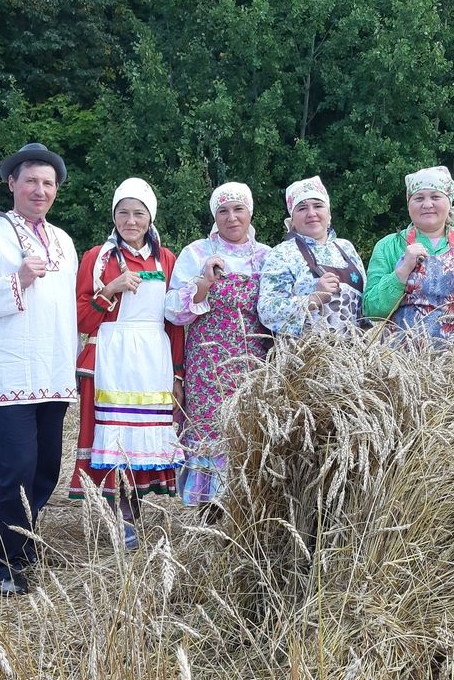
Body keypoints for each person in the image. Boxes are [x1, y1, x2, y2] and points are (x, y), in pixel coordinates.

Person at [0, 143, 78, 595]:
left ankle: (21, 539)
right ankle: (6, 563)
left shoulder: (64, 240)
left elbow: (66, 308)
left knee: (46, 467)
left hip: (54, 370)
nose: (39, 190)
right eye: (31, 180)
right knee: (17, 467)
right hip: (11, 371)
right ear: (11, 183)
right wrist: (17, 280)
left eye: (48, 183)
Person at [68, 177, 183, 546]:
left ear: (151, 218)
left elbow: (175, 319)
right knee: (113, 438)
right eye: (123, 213)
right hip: (112, 357)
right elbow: (82, 318)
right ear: (113, 216)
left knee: (141, 440)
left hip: (152, 357)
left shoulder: (166, 259)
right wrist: (110, 290)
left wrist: (178, 369)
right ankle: (116, 516)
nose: (130, 221)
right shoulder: (97, 258)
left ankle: (133, 510)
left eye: (138, 213)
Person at [165, 182, 271, 507]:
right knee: (210, 440)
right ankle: (205, 521)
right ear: (214, 215)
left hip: (254, 368)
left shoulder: (267, 257)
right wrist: (203, 283)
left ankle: (245, 519)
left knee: (249, 439)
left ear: (250, 212)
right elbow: (172, 310)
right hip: (209, 370)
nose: (232, 217)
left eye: (238, 209)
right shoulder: (196, 253)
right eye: (223, 211)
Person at [362, 166, 454, 355]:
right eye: (419, 198)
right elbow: (372, 309)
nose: (427, 204)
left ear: (449, 202)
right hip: (403, 365)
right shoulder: (388, 246)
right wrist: (401, 272)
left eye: (435, 197)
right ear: (409, 205)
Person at [257, 175, 366, 337]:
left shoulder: (346, 248)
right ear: (292, 220)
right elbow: (267, 310)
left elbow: (365, 304)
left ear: (329, 216)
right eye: (302, 208)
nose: (311, 213)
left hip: (353, 357)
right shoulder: (281, 254)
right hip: (307, 357)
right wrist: (313, 298)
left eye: (318, 206)